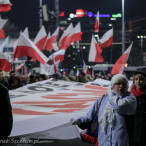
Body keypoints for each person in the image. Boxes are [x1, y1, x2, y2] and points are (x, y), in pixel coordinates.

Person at [71, 74, 137, 146]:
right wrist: (78, 120)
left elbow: (119, 107)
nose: (121, 86)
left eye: (123, 84)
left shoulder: (130, 99)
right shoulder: (103, 99)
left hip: (122, 142)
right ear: (112, 85)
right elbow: (89, 116)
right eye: (118, 83)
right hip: (103, 142)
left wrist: (111, 96)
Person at [131, 71, 146, 146]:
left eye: (141, 79)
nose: (138, 81)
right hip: (132, 128)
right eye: (136, 79)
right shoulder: (129, 95)